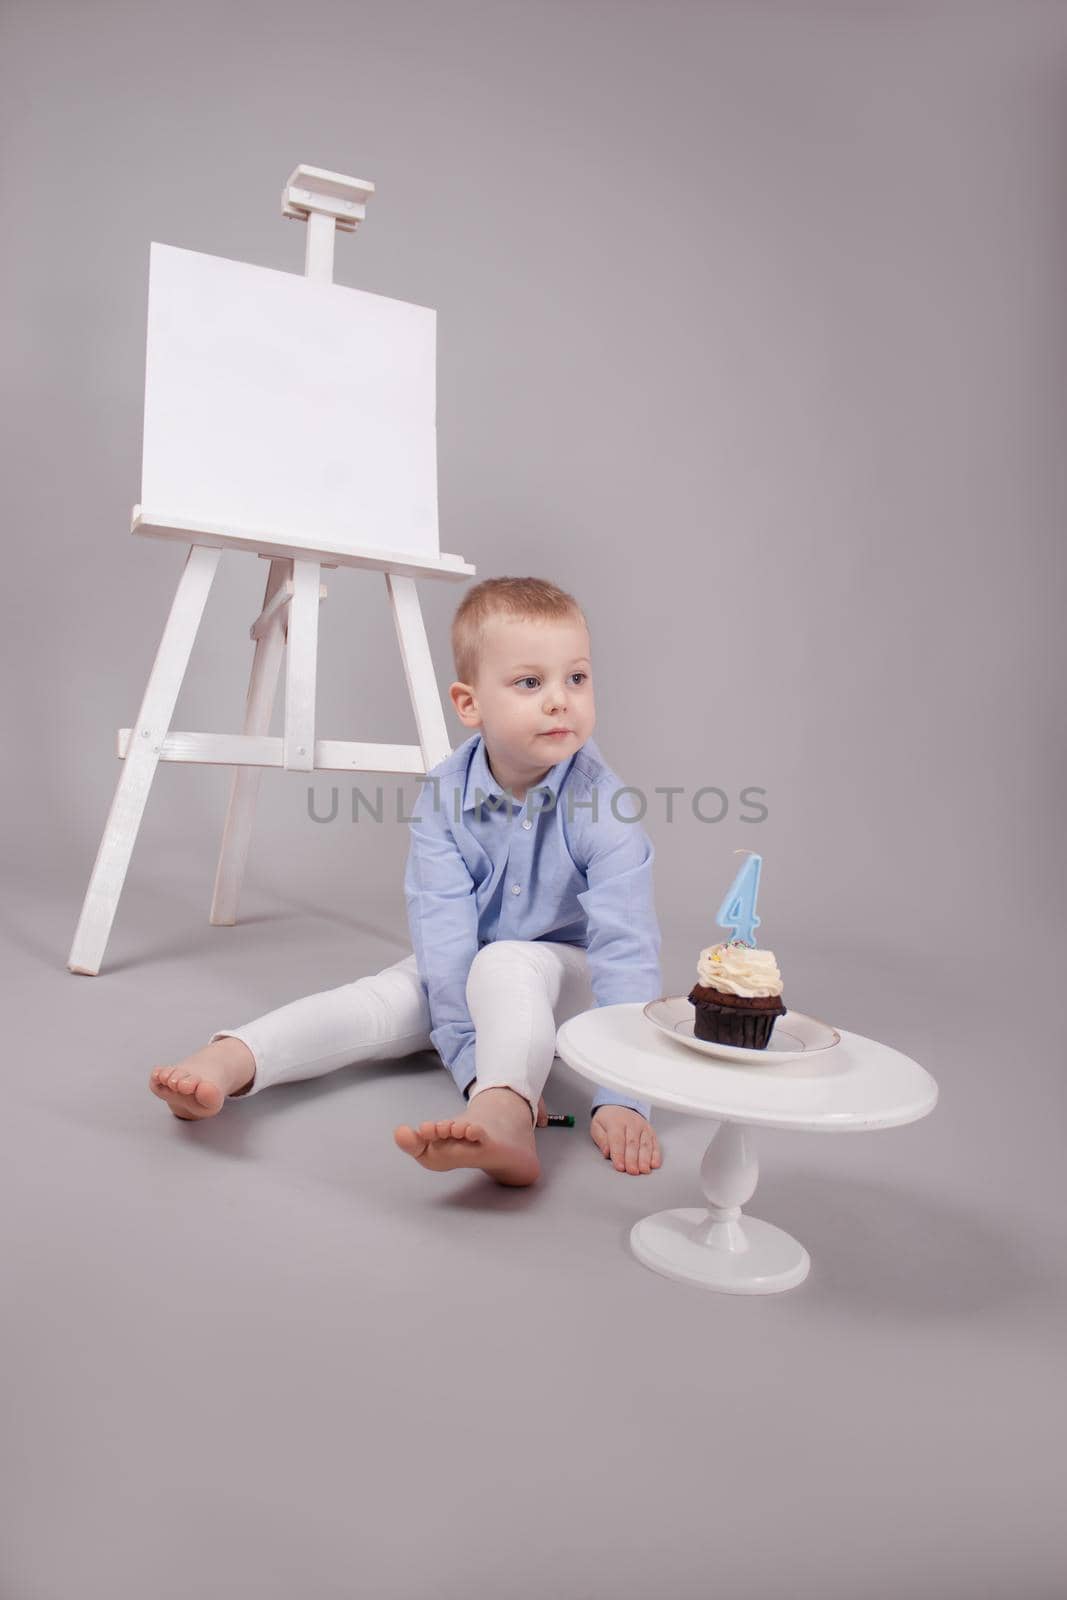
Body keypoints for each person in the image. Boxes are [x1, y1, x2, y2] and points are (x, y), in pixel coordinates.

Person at [149, 576, 664, 1187]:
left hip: (567, 980)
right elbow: (445, 942)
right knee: (382, 999)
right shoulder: (444, 796)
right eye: (531, 682)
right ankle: (234, 1058)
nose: (561, 700)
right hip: (471, 969)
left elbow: (624, 956)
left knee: (505, 963)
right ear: (469, 704)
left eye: (576, 678)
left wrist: (624, 1094)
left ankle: (505, 1116)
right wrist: (470, 1055)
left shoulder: (604, 808)